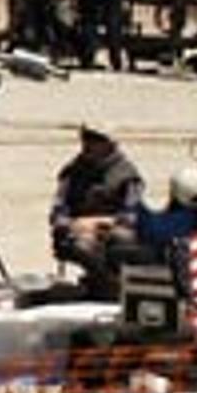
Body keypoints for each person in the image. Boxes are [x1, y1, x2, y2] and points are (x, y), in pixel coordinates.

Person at [49, 122, 147, 287]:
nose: (88, 143)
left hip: (112, 232)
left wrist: (96, 224)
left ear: (109, 144)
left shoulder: (126, 175)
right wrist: (67, 224)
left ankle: (111, 283)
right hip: (76, 233)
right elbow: (59, 207)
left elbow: (131, 215)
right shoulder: (73, 171)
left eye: (95, 139)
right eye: (86, 138)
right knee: (73, 242)